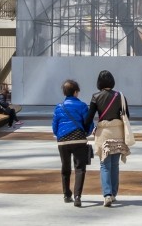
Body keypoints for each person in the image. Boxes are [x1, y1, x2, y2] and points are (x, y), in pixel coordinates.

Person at [88, 69, 130, 207]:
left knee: (104, 165)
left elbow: (89, 118)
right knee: (115, 165)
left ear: (99, 82)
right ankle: (113, 193)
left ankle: (106, 195)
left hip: (103, 133)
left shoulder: (95, 97)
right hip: (118, 132)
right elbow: (127, 116)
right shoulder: (121, 96)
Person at [52, 79, 94, 207]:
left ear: (64, 93)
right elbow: (88, 123)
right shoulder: (82, 106)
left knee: (65, 167)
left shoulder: (59, 107)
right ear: (76, 92)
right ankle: (77, 196)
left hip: (63, 140)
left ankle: (66, 194)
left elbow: (55, 125)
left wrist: (59, 134)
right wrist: (86, 133)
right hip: (79, 139)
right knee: (80, 168)